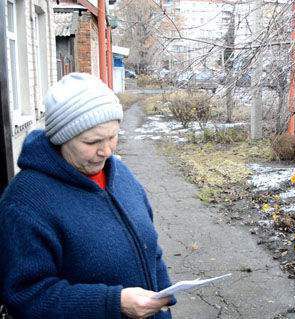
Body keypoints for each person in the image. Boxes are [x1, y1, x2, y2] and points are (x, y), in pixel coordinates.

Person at [0, 73, 176, 318]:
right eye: (92, 141)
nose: (106, 151)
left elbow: (149, 246)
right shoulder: (25, 202)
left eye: (113, 136)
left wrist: (164, 293)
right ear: (62, 138)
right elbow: (26, 296)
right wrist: (114, 304)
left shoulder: (120, 173)